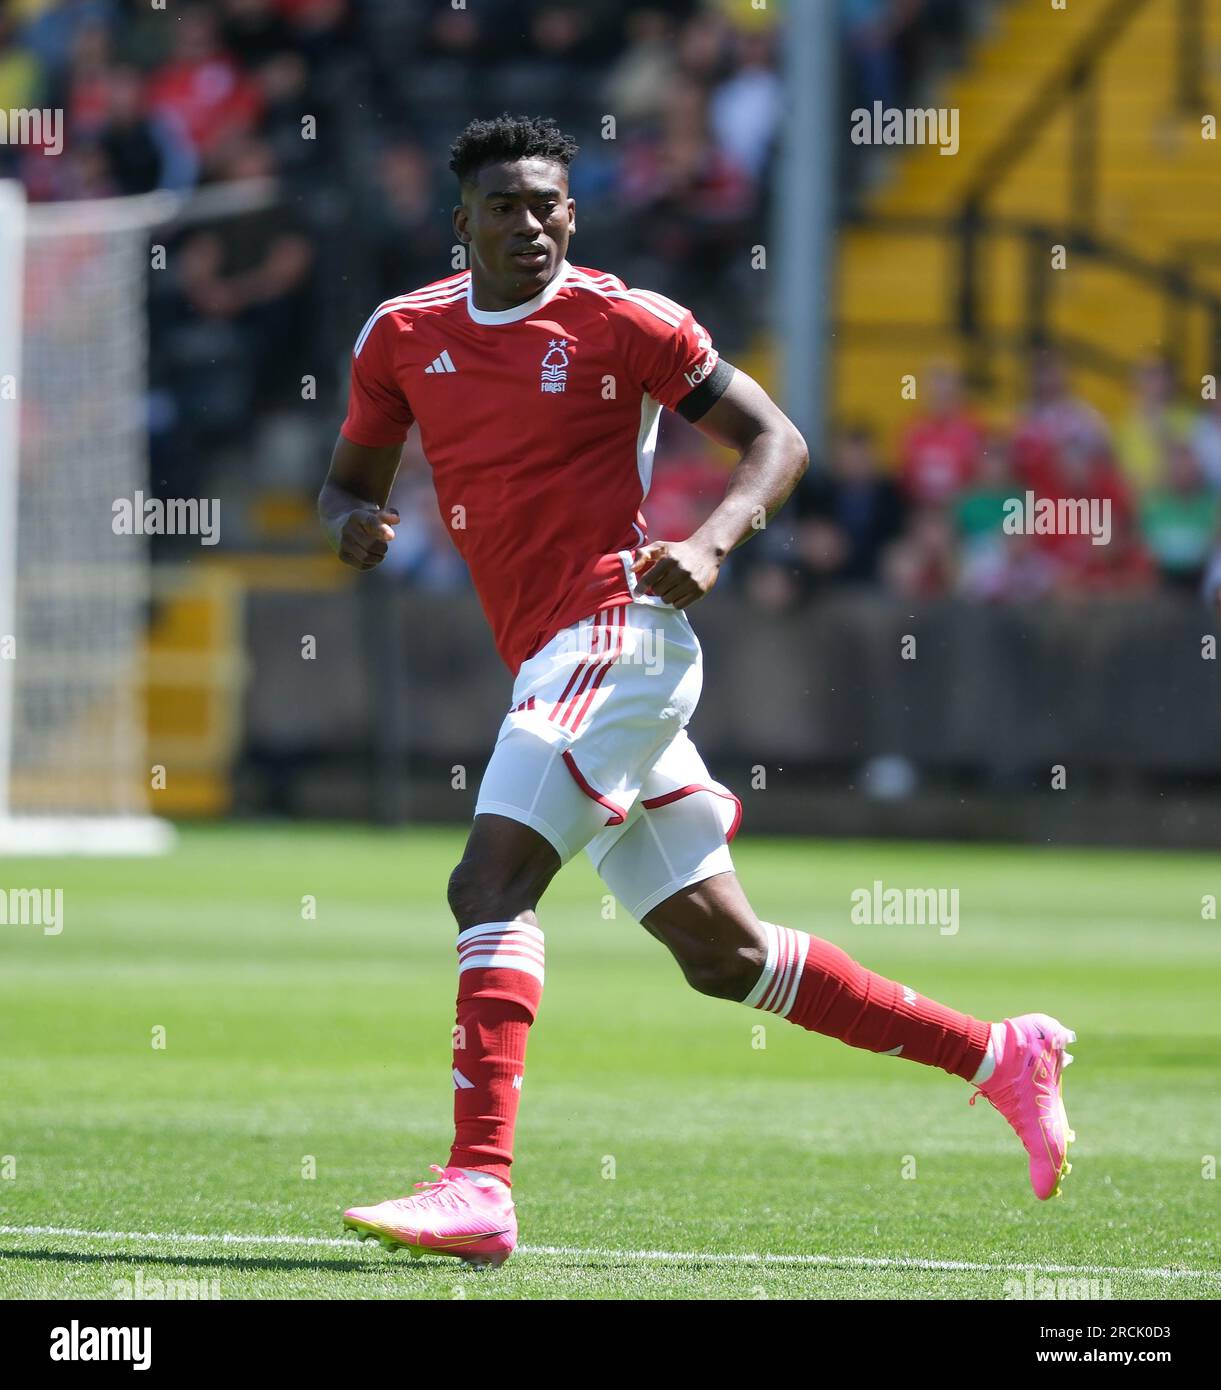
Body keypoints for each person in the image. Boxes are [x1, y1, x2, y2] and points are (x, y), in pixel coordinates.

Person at [318, 114, 1076, 1270]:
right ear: (458, 220)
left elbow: (776, 438)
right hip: (551, 654)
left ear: (574, 213)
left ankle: (480, 1183)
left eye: (551, 205)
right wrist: (355, 525)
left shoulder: (625, 319)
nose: (533, 224)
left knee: (490, 879)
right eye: (508, 205)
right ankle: (1001, 1055)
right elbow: (344, 482)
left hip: (619, 631)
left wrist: (716, 539)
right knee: (725, 957)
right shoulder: (401, 336)